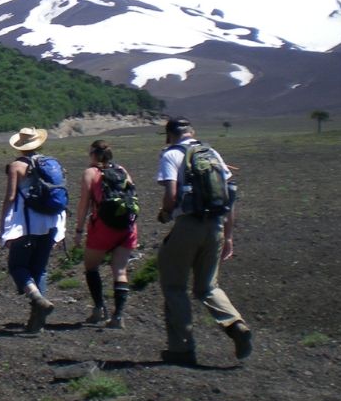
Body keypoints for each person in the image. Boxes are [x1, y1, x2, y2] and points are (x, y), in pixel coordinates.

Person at [155, 117, 252, 365]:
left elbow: (171, 195)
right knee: (208, 286)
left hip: (188, 225)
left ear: (169, 135)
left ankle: (181, 348)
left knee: (175, 287)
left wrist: (165, 213)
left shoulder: (171, 155)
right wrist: (228, 236)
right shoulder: (213, 154)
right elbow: (229, 195)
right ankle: (234, 324)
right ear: (192, 132)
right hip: (216, 226)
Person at [0, 127, 66, 333]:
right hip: (51, 223)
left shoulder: (16, 166)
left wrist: (3, 222)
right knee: (40, 269)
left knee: (17, 267)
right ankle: (37, 322)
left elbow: (11, 197)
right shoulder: (52, 163)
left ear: (20, 147)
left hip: (27, 224)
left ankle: (37, 299)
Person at [72, 140, 138, 328]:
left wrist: (79, 230)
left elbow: (84, 204)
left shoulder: (90, 173)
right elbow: (132, 195)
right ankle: (118, 316)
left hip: (102, 227)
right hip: (127, 227)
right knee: (120, 270)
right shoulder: (122, 170)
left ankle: (99, 308)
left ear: (93, 154)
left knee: (91, 267)